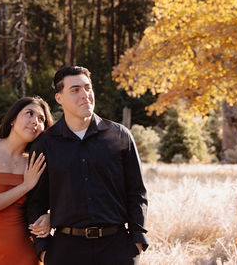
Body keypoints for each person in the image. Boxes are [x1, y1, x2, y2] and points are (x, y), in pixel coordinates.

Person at [25, 66, 148, 264]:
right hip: (65, 251)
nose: (85, 95)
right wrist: (44, 250)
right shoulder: (45, 144)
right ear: (59, 98)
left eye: (88, 88)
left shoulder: (120, 135)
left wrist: (137, 242)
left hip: (117, 249)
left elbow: (137, 192)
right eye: (75, 90)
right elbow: (35, 202)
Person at [0, 96, 53, 265]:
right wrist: (26, 185)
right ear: (13, 120)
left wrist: (51, 217)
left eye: (41, 119)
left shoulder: (36, 162)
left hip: (25, 251)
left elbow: (64, 197)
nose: (35, 121)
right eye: (29, 113)